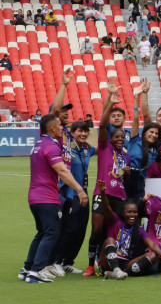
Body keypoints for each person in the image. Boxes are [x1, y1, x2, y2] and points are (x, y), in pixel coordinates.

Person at [19, 115, 88, 283]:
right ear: (51, 128)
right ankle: (36, 271)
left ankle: (27, 268)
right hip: (47, 197)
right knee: (52, 233)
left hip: (34, 196)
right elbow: (63, 172)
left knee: (42, 232)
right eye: (59, 125)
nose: (61, 128)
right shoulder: (51, 146)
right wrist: (80, 190)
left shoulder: (38, 144)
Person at [84, 92, 131, 277]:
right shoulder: (104, 147)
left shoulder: (125, 156)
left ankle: (109, 262)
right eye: (116, 137)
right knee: (96, 230)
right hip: (101, 193)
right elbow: (102, 125)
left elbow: (121, 179)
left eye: (122, 137)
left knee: (114, 229)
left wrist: (126, 174)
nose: (119, 139)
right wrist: (110, 104)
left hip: (119, 196)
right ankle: (90, 265)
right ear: (110, 138)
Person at [49, 120, 95, 275]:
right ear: (72, 133)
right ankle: (56, 261)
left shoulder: (87, 150)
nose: (83, 134)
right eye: (79, 131)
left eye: (85, 131)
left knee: (81, 230)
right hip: (70, 195)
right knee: (69, 230)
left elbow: (102, 147)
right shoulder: (66, 150)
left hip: (85, 196)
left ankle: (69, 261)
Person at [95, 181, 161, 279]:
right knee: (109, 240)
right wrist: (103, 193)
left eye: (135, 212)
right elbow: (107, 207)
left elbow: (152, 245)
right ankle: (116, 270)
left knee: (153, 255)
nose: (132, 215)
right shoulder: (115, 220)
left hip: (126, 263)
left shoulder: (139, 229)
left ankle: (120, 273)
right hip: (108, 262)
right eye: (129, 212)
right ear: (123, 213)